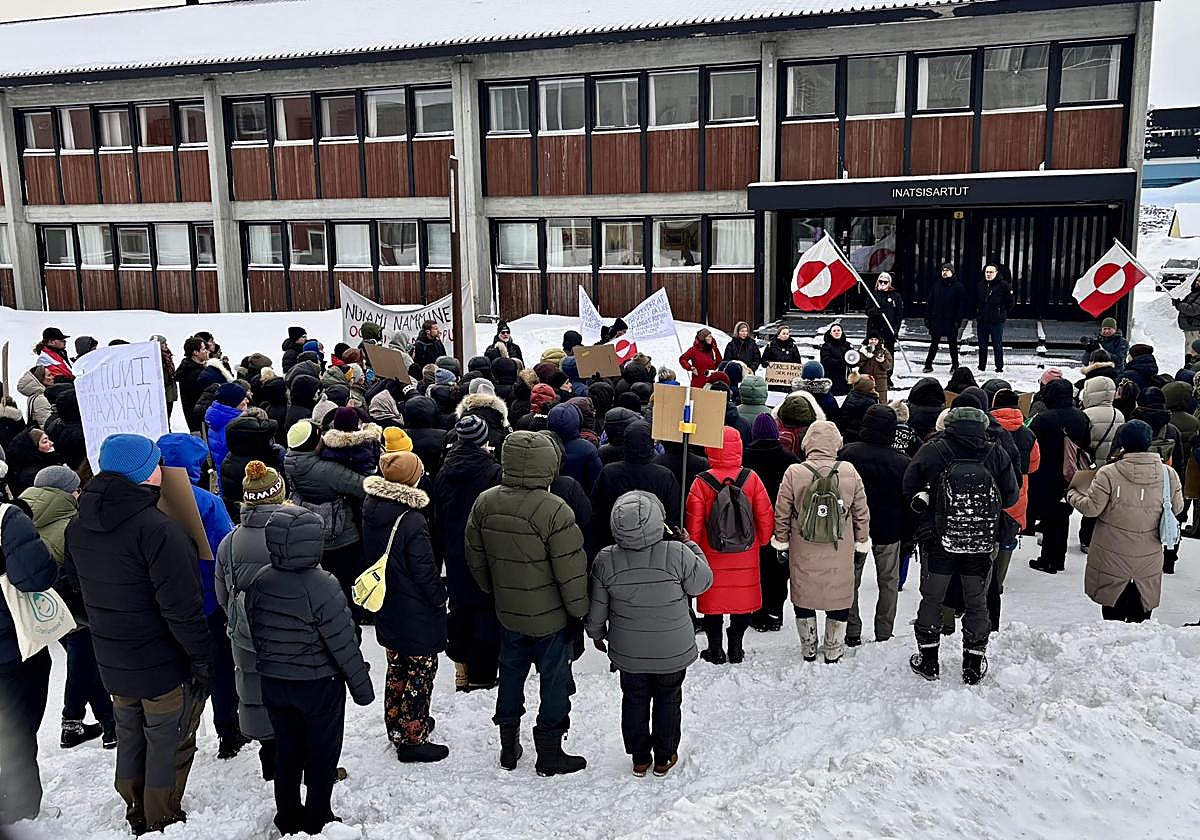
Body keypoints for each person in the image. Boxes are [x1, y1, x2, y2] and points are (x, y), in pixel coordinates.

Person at [62, 434, 211, 835]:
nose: (162, 468)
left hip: (113, 658)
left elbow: (76, 587)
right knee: (168, 739)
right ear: (144, 473)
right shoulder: (158, 531)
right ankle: (160, 816)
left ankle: (133, 803)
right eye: (156, 463)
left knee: (130, 733)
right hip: (161, 661)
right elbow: (182, 609)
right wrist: (201, 655)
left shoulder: (78, 525)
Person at [466, 431, 589, 776]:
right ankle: (549, 750)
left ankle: (508, 745)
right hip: (551, 618)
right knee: (554, 681)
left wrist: (496, 591)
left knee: (510, 674)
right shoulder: (554, 510)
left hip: (508, 611)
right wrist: (578, 612)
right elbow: (570, 571)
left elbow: (474, 556)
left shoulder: (485, 502)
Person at [246, 506, 374, 836]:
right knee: (321, 751)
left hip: (274, 682)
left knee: (286, 748)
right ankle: (318, 815)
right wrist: (362, 688)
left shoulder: (260, 581)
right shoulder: (323, 585)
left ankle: (288, 814)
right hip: (318, 684)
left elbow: (256, 630)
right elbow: (343, 641)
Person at [586, 491, 712, 777]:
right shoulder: (677, 553)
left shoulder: (606, 559)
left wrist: (596, 632)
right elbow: (702, 582)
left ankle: (640, 757)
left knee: (634, 697)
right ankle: (665, 756)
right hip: (672, 648)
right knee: (669, 697)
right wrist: (689, 543)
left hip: (628, 650)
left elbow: (598, 608)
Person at [904, 408, 1018, 685]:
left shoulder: (933, 450)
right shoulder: (995, 452)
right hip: (981, 540)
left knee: (932, 598)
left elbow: (908, 487)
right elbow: (1011, 497)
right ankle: (973, 663)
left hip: (938, 539)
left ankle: (928, 660)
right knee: (977, 602)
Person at [156, 432, 244, 759]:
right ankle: (228, 732)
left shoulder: (147, 501)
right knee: (220, 668)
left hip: (164, 603)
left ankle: (177, 736)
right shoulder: (207, 502)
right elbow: (225, 550)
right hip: (208, 600)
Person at [20, 466, 117, 750]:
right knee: (83, 662)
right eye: (76, 489)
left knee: (84, 662)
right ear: (66, 492)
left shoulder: (23, 517)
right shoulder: (70, 524)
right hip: (74, 606)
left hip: (42, 606)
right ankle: (74, 721)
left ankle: (105, 723)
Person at [363, 451, 449, 763]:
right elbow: (424, 571)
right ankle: (414, 737)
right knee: (421, 670)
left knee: (397, 666)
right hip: (414, 608)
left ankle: (397, 726)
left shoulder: (372, 508)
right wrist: (439, 597)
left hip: (387, 602)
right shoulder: (411, 520)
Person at [772, 421, 870, 663]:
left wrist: (782, 542)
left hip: (803, 545)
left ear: (808, 443)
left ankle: (809, 647)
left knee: (804, 593)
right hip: (840, 546)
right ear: (836, 443)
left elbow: (782, 512)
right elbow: (861, 512)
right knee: (838, 593)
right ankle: (834, 648)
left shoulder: (794, 472)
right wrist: (861, 542)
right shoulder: (848, 471)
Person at [1067, 420, 1183, 623]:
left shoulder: (1109, 472)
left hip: (1111, 553)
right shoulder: (1168, 474)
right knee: (1141, 616)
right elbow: (1177, 508)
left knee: (1113, 614)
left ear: (1122, 442)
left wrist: (1072, 494)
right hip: (1149, 554)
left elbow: (1091, 509)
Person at [215, 460, 287, 783]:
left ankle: (269, 760)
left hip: (245, 636)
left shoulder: (229, 542)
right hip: (287, 635)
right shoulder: (292, 534)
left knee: (256, 694)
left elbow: (222, 595)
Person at [685, 427, 775, 665]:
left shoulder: (701, 482)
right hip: (746, 550)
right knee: (741, 602)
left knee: (713, 605)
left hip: (712, 552)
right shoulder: (751, 478)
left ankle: (715, 650)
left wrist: (694, 548)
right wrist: (763, 540)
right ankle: (736, 647)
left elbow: (694, 523)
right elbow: (765, 515)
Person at [435, 416, 504, 693]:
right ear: (483, 441)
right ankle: (483, 674)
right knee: (486, 608)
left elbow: (438, 516)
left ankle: (460, 665)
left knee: (459, 606)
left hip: (454, 549)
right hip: (484, 549)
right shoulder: (493, 472)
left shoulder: (444, 471)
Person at [0, 499, 58, 825]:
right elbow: (36, 576)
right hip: (12, 645)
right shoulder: (7, 518)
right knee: (18, 727)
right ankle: (21, 809)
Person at [837, 405, 909, 645]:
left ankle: (852, 629)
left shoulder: (847, 454)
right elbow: (908, 502)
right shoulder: (902, 462)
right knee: (889, 582)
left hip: (854, 528)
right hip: (890, 529)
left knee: (850, 581)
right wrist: (909, 534)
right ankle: (884, 632)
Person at [283, 419, 370, 616]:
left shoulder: (290, 461)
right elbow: (362, 486)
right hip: (342, 537)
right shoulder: (328, 470)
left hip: (311, 532)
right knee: (347, 583)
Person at [743, 414, 801, 633]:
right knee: (778, 570)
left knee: (755, 569)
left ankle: (757, 613)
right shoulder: (790, 460)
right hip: (781, 524)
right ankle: (775, 612)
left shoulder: (744, 458)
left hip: (751, 524)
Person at [1028, 379, 1092, 574]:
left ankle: (1047, 559)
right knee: (1063, 515)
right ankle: (1058, 558)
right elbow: (1086, 445)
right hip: (1073, 474)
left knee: (1049, 516)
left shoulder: (1043, 419)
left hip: (1046, 473)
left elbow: (1032, 444)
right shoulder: (1082, 417)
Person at [590, 420, 680, 547]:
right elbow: (672, 516)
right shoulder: (665, 476)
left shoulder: (609, 472)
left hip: (614, 542)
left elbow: (597, 511)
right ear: (650, 444)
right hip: (654, 544)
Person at [548, 403, 602, 493]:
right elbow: (597, 480)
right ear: (578, 420)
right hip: (579, 496)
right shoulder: (587, 449)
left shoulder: (543, 445)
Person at [923, 263, 965, 373]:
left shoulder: (958, 287)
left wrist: (957, 321)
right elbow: (930, 302)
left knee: (952, 344)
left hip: (951, 320)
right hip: (937, 319)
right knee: (934, 343)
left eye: (947, 270)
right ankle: (928, 364)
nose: (944, 272)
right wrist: (927, 318)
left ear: (952, 272)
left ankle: (955, 365)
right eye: (943, 270)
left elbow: (960, 307)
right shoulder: (936, 285)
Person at [976, 263, 1013, 373]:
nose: (988, 274)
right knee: (982, 346)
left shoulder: (1004, 286)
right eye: (987, 272)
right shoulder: (980, 285)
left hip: (996, 322)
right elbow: (975, 301)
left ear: (996, 273)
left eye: (991, 272)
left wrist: (1001, 314)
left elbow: (1010, 302)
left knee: (997, 345)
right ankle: (981, 367)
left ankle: (999, 367)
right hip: (982, 321)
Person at [175, 337, 211, 433]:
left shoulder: (196, 369)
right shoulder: (191, 373)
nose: (207, 351)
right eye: (203, 349)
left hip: (203, 419)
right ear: (195, 352)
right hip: (199, 421)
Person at [865, 271, 905, 352]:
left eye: (885, 282)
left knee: (888, 353)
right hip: (875, 331)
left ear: (889, 283)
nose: (882, 284)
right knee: (874, 354)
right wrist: (876, 310)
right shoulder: (873, 295)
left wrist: (896, 330)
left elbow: (899, 315)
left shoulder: (895, 296)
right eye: (881, 281)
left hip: (889, 330)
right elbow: (867, 311)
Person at [819, 323, 853, 397]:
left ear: (842, 332)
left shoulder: (847, 345)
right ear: (830, 333)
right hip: (832, 380)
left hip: (845, 381)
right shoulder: (826, 346)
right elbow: (826, 361)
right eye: (834, 331)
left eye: (838, 330)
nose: (836, 332)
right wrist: (841, 362)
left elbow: (852, 360)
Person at [1172, 275, 1200, 363]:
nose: (1197, 283)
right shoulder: (1195, 293)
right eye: (1197, 280)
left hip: (1195, 329)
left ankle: (1191, 369)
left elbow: (1193, 310)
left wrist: (1179, 305)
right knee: (1190, 352)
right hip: (1191, 328)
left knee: (1192, 353)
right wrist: (1179, 303)